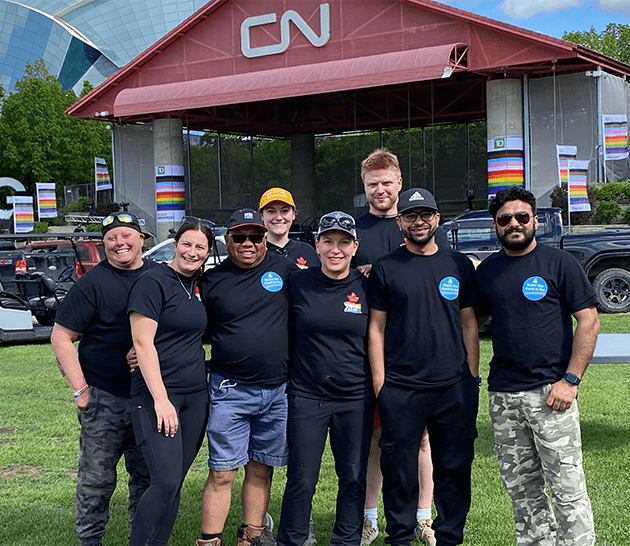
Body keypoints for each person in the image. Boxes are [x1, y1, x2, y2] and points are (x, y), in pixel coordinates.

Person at [476, 186, 599, 546]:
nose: (514, 224)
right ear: (495, 226)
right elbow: (471, 318)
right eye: (504, 219)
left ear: (534, 220)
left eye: (521, 217)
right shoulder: (488, 271)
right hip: (503, 396)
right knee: (522, 492)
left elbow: (588, 320)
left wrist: (571, 379)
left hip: (551, 394)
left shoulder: (559, 263)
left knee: (567, 488)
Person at [367, 188, 479, 546]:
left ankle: (449, 538)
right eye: (411, 215)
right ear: (400, 221)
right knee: (398, 471)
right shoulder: (386, 267)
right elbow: (376, 328)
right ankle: (398, 537)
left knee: (455, 469)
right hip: (401, 386)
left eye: (425, 214)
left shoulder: (458, 263)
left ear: (437, 219)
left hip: (453, 386)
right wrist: (381, 384)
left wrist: (472, 376)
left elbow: (469, 323)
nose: (419, 221)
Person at [51, 212, 159, 546]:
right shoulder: (92, 282)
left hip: (149, 398)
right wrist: (81, 391)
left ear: (142, 239)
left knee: (148, 479)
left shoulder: (159, 278)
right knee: (96, 481)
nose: (119, 243)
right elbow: (61, 336)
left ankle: (141, 539)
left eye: (126, 235)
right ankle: (90, 540)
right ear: (104, 244)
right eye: (111, 237)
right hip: (105, 398)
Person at [196, 209, 297, 546]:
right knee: (223, 472)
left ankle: (250, 539)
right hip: (230, 389)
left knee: (261, 469)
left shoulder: (286, 270)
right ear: (228, 241)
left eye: (255, 237)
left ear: (265, 239)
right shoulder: (210, 280)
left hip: (278, 390)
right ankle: (211, 541)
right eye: (240, 237)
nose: (248, 243)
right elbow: (190, 326)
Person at [354, 149, 439, 546]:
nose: (380, 190)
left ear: (400, 183)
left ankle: (424, 517)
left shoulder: (417, 227)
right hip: (367, 352)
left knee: (421, 438)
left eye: (387, 183)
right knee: (376, 439)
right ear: (364, 187)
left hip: (414, 351)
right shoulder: (354, 231)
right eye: (373, 184)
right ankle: (369, 518)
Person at [276, 212, 373, 546]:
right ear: (316, 245)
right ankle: (293, 539)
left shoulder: (368, 286)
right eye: (328, 241)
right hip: (306, 395)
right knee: (301, 478)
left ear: (355, 246)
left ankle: (346, 540)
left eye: (344, 242)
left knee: (353, 476)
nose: (336, 249)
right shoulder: (297, 283)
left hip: (355, 397)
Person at [127, 218, 214, 546]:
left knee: (174, 482)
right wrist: (161, 399)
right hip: (157, 396)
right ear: (175, 243)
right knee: (163, 480)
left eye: (200, 247)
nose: (192, 252)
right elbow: (143, 343)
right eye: (186, 244)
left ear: (208, 252)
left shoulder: (196, 285)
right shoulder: (153, 282)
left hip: (195, 394)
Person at [259, 187, 319, 269]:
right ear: (262, 215)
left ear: (293, 214)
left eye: (284, 211)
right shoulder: (254, 253)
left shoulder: (307, 251)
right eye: (271, 211)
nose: (279, 217)